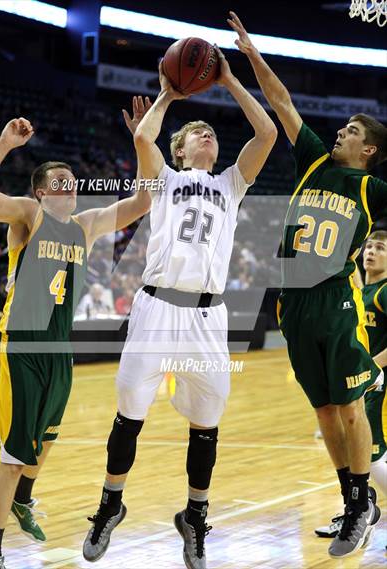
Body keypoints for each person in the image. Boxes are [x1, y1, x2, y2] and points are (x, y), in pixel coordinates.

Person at [83, 48, 277, 569]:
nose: (209, 135)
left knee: (207, 421)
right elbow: (144, 138)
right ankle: (110, 504)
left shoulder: (231, 184)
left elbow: (267, 136)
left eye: (213, 133)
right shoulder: (164, 178)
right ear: (182, 147)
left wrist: (232, 81)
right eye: (199, 132)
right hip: (156, 308)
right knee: (130, 412)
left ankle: (194, 516)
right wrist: (169, 95)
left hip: (207, 318)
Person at [225, 10, 387, 560]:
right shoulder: (315, 159)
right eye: (343, 127)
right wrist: (248, 56)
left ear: (368, 151)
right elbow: (283, 102)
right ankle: (352, 500)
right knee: (323, 411)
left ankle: (364, 499)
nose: (341, 131)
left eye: (353, 132)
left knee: (349, 408)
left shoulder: (371, 187)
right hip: (293, 304)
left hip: (337, 301)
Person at [0, 115, 151, 569]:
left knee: (46, 439)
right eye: (59, 181)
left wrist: (142, 140)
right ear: (42, 192)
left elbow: (144, 201)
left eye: (72, 179)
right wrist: (4, 144)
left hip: (58, 350)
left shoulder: (86, 225)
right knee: (13, 456)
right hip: (23, 347)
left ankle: (23, 500)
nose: (70, 184)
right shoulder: (29, 216)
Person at [315, 230, 387, 539]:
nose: (371, 251)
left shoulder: (384, 292)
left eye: (380, 247)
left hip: (378, 383)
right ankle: (355, 510)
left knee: (370, 454)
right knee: (356, 452)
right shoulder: (362, 292)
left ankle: (361, 511)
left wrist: (372, 367)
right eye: (368, 246)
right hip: (361, 383)